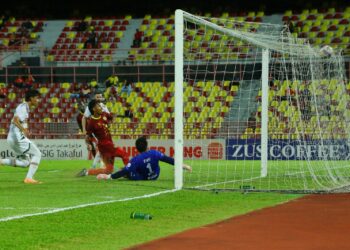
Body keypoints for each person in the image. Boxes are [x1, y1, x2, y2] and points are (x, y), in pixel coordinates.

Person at [96, 136, 192, 181]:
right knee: (131, 168)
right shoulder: (154, 152)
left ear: (137, 149)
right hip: (155, 176)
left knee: (127, 170)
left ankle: (125, 176)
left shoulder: (135, 159)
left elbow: (125, 170)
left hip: (142, 178)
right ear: (147, 146)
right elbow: (168, 160)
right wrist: (183, 165)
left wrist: (108, 176)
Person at [76, 99, 130, 176]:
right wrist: (88, 144)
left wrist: (115, 118)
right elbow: (88, 136)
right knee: (124, 154)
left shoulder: (104, 114)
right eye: (98, 106)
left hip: (108, 144)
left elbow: (111, 117)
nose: (101, 107)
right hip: (105, 145)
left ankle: (87, 172)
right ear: (93, 109)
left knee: (108, 170)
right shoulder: (91, 123)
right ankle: (129, 172)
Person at [0, 89, 42, 184]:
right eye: (37, 98)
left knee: (25, 162)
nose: (38, 100)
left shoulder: (25, 108)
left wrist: (25, 130)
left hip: (13, 138)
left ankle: (2, 161)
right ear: (31, 98)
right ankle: (29, 178)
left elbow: (22, 121)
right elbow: (15, 120)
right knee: (37, 154)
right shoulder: (23, 107)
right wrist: (23, 130)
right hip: (17, 138)